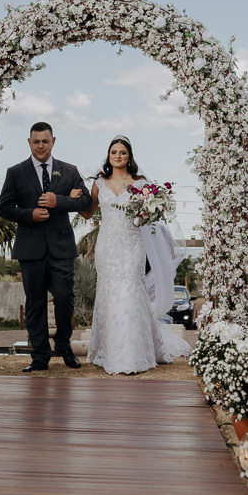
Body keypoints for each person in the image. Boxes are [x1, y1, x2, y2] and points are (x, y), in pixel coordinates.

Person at [76, 135, 191, 375]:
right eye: (114, 152)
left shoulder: (140, 183)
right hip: (107, 245)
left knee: (130, 290)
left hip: (132, 244)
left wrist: (151, 211)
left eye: (122, 153)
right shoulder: (99, 182)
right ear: (109, 156)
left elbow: (148, 216)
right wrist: (76, 199)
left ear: (129, 157)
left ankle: (134, 352)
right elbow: (88, 213)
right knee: (109, 293)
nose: (118, 156)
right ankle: (107, 349)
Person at [0, 122, 92, 372]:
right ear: (29, 142)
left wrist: (57, 200)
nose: (41, 145)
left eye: (45, 141)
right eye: (36, 141)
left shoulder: (69, 170)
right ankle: (39, 355)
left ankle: (63, 344)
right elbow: (3, 207)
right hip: (30, 249)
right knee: (35, 303)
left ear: (53, 141)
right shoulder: (16, 172)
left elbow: (85, 201)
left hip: (62, 248)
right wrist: (30, 214)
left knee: (65, 298)